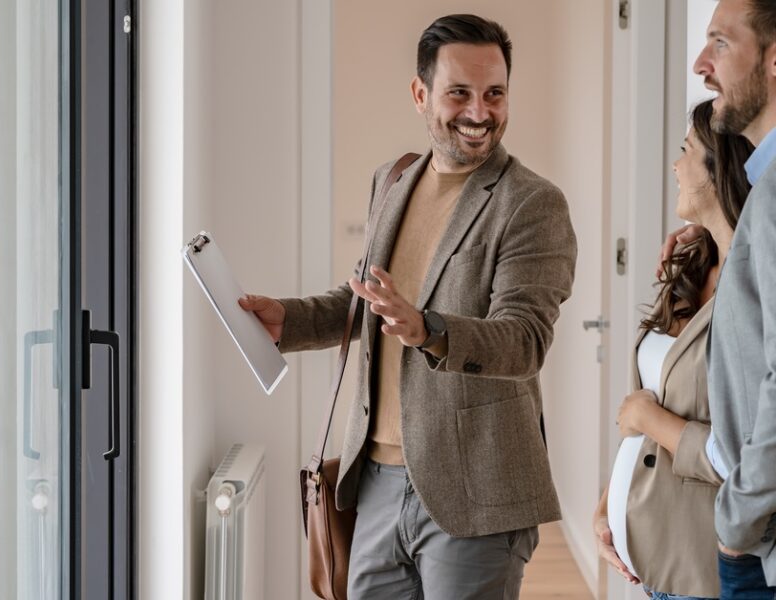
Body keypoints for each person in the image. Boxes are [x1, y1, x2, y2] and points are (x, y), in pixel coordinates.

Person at [238, 14, 577, 600]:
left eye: (495, 93)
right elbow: (366, 299)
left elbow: (524, 339)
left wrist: (428, 329)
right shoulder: (392, 180)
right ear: (421, 94)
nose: (480, 111)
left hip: (478, 492)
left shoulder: (532, 203)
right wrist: (289, 320)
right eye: (460, 93)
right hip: (376, 483)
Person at [594, 100, 753, 600]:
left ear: (720, 168)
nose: (675, 165)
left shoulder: (755, 292)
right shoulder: (693, 260)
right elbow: (659, 392)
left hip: (700, 568)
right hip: (647, 555)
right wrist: (606, 506)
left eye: (686, 150)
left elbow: (746, 457)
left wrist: (643, 418)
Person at [658, 0, 776, 596]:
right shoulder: (763, 194)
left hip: (757, 546)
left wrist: (736, 520)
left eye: (720, 44)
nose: (703, 64)